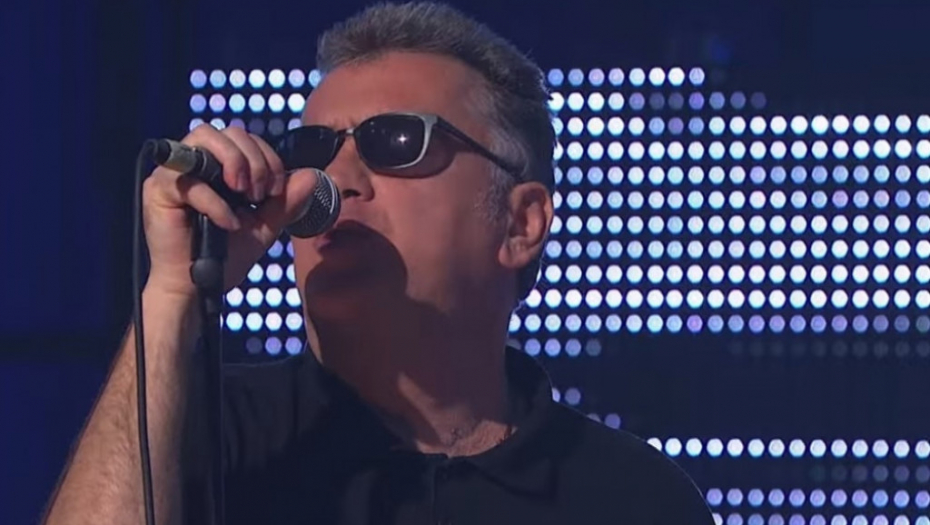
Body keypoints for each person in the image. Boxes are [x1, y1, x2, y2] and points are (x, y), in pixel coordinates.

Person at [43, 2, 715, 524]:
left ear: (521, 223)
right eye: (312, 149)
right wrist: (171, 295)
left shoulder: (631, 497)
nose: (332, 181)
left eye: (394, 141)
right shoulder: (204, 433)